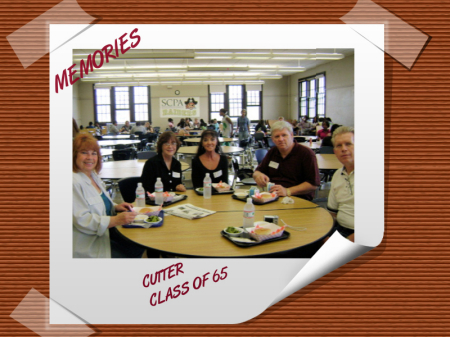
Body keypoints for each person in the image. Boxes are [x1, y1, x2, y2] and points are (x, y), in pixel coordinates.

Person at [72, 133, 138, 258]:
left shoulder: (93, 175)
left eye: (94, 153)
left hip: (106, 234)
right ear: (74, 155)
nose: (90, 157)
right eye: (84, 152)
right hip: (89, 244)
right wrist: (115, 220)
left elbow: (98, 202)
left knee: (137, 244)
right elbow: (82, 220)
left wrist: (115, 207)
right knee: (133, 249)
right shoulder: (72, 182)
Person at [253, 121, 320, 200]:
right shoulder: (272, 152)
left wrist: (287, 191)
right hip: (273, 197)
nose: (281, 139)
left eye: (284, 135)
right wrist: (259, 176)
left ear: (291, 135)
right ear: (272, 139)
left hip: (298, 198)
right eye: (277, 136)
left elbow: (313, 184)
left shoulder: (306, 154)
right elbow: (257, 172)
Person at [327, 126, 355, 242]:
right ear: (335, 151)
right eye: (339, 145)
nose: (343, 149)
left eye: (348, 144)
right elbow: (332, 213)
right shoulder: (338, 175)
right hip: (340, 229)